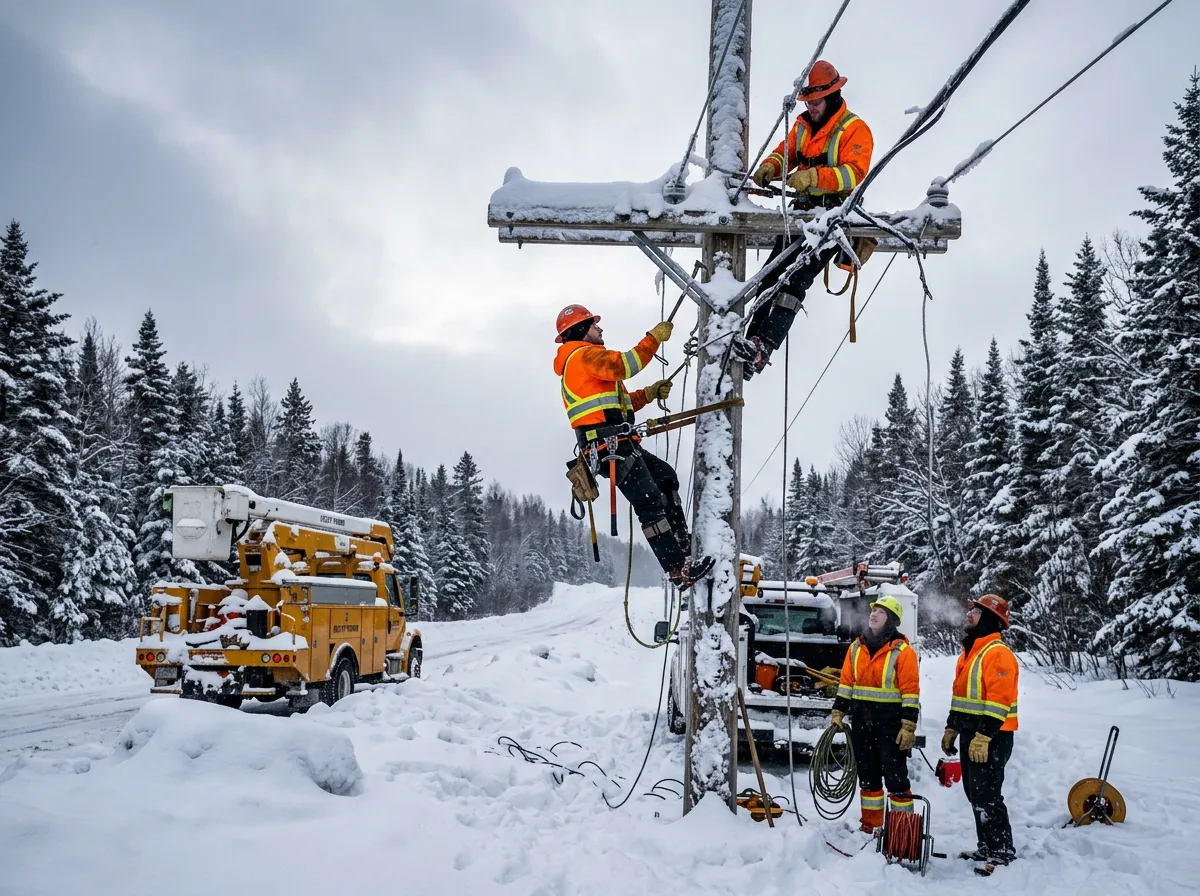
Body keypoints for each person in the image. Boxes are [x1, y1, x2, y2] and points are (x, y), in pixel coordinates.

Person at [552, 304, 713, 589]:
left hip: (620, 444)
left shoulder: (585, 364)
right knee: (649, 501)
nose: (600, 329)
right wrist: (653, 338)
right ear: (580, 331)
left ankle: (683, 547)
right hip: (610, 448)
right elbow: (626, 365)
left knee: (665, 477)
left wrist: (649, 394)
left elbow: (621, 403)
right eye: (593, 325)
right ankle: (677, 568)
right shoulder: (584, 356)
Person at [732, 60, 874, 379]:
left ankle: (763, 345)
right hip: (799, 216)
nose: (810, 107)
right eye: (807, 102)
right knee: (770, 275)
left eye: (816, 102)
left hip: (831, 220)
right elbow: (785, 153)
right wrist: (770, 166)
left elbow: (855, 173)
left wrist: (814, 178)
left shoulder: (854, 129)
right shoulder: (801, 127)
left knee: (795, 278)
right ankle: (746, 338)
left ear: (833, 96)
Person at [830, 594, 920, 833]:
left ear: (890, 619)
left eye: (880, 611)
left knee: (896, 779)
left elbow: (910, 692)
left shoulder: (903, 652)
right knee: (868, 777)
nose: (873, 614)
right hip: (861, 722)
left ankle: (902, 832)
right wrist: (838, 711)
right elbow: (846, 683)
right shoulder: (856, 647)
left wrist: (908, 725)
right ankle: (871, 826)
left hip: (890, 725)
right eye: (873, 610)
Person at [941, 594, 1019, 867]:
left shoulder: (997, 653)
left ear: (989, 619)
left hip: (993, 736)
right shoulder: (970, 653)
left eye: (975, 611)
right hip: (971, 733)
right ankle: (986, 846)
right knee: (975, 793)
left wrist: (984, 735)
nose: (969, 614)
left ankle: (1001, 850)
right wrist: (952, 728)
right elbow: (960, 696)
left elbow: (1000, 701)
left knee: (987, 794)